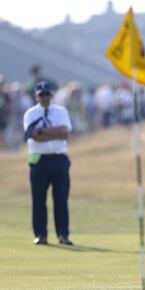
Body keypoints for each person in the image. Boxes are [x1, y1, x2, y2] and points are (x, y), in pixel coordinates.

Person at [23, 81, 74, 246]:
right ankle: (41, 235)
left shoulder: (61, 111)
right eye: (41, 95)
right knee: (38, 200)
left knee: (61, 199)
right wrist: (54, 133)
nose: (44, 97)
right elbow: (32, 135)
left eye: (47, 94)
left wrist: (43, 131)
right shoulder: (30, 114)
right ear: (36, 96)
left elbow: (64, 133)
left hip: (59, 158)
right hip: (39, 160)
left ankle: (63, 235)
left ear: (52, 95)